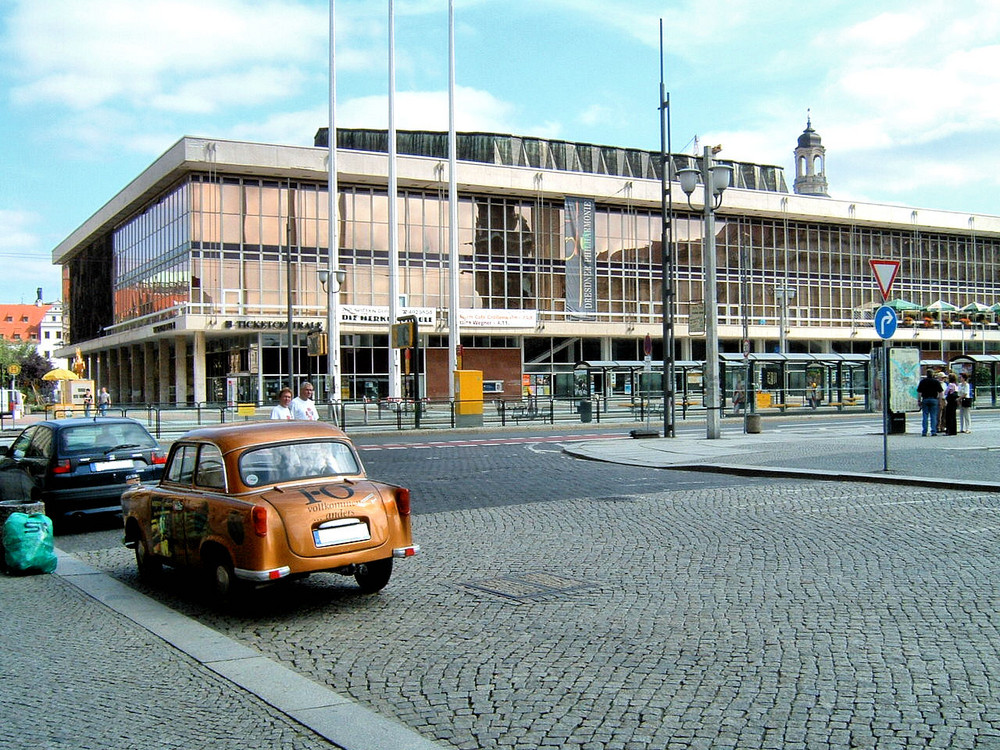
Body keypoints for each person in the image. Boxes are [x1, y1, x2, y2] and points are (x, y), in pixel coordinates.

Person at [916, 369, 943, 437]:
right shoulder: (936, 382)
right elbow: (940, 392)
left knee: (925, 416)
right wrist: (940, 401)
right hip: (934, 399)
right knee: (933, 416)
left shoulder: (923, 381)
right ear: (933, 374)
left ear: (926, 374)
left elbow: (919, 392)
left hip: (925, 399)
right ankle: (933, 431)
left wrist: (919, 400)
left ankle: (924, 431)